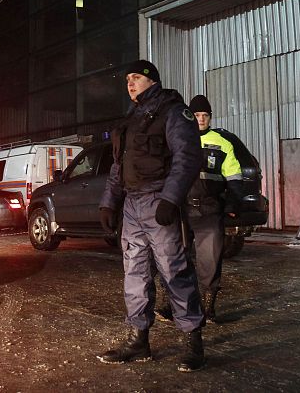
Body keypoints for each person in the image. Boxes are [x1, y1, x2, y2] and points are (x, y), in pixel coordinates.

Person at [96, 60, 206, 372]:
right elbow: (119, 166)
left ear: (152, 80)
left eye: (136, 78)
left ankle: (193, 342)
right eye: (127, 79)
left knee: (174, 270)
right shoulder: (132, 119)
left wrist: (170, 199)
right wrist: (109, 203)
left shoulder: (173, 111)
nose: (130, 83)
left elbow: (188, 156)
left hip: (159, 201)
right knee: (134, 272)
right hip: (132, 205)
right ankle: (139, 340)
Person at [181, 95, 245, 323]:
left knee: (210, 260)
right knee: (177, 259)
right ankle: (175, 305)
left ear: (210, 118)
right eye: (196, 115)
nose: (200, 119)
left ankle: (208, 308)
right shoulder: (178, 139)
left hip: (209, 209)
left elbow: (234, 176)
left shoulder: (222, 143)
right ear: (190, 116)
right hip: (182, 210)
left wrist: (232, 202)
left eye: (204, 115)